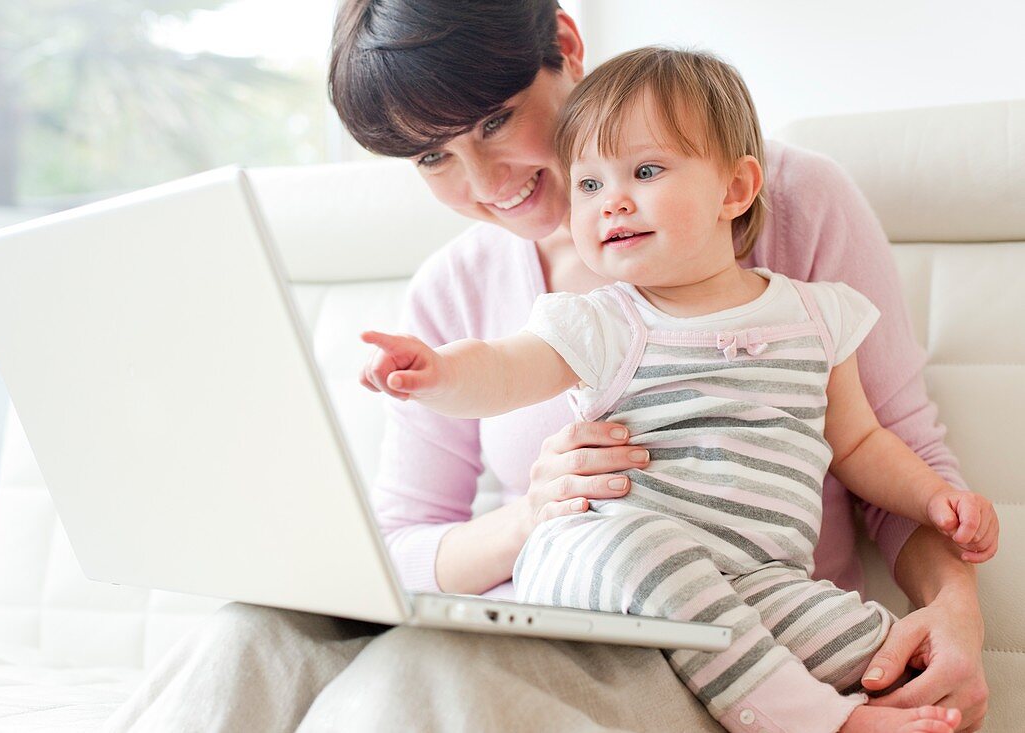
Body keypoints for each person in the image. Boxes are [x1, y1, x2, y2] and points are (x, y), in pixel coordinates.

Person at [104, 3, 989, 731]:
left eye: (494, 121)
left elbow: (890, 451)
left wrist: (955, 614)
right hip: (548, 594)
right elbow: (402, 541)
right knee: (249, 635)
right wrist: (532, 516)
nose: (484, 180)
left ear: (565, 46)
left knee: (418, 676)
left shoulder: (787, 206)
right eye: (432, 157)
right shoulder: (452, 291)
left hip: (712, 639)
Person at [359, 46, 998, 733]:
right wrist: (436, 373)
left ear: (735, 188)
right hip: (601, 562)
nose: (614, 202)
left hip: (752, 583)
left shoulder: (818, 316)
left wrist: (934, 500)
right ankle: (821, 723)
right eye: (589, 185)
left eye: (646, 172)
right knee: (647, 555)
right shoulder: (601, 319)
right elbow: (503, 368)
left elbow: (866, 440)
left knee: (884, 650)